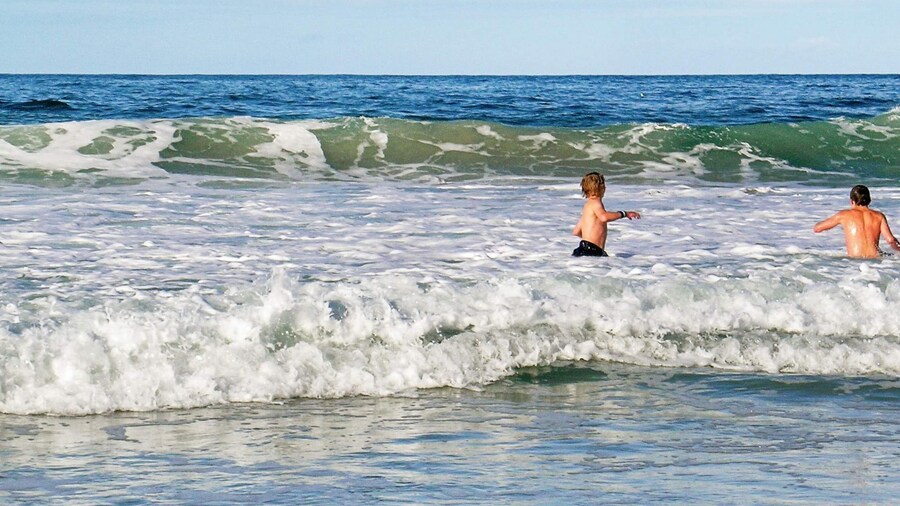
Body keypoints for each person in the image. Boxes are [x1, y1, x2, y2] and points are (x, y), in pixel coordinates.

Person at [813, 184, 900, 258]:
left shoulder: (844, 215)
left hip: (855, 262)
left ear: (852, 201)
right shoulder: (879, 216)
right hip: (875, 260)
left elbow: (817, 229)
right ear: (869, 200)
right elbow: (891, 240)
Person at [572, 171, 640, 257]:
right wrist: (624, 214)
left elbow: (576, 231)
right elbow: (604, 217)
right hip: (592, 250)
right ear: (601, 187)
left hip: (582, 249)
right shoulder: (596, 203)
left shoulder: (587, 207)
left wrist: (589, 239)